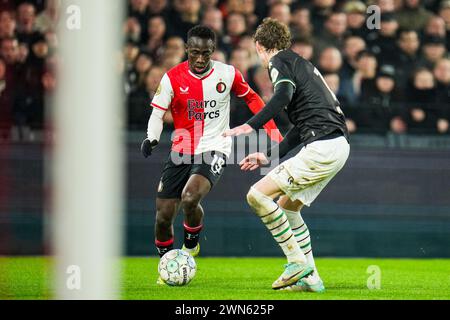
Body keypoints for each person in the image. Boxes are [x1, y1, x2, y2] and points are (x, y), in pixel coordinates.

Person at [140, 25, 282, 281]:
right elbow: (157, 113)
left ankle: (191, 246)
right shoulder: (172, 78)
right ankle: (169, 267)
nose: (200, 59)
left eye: (205, 53)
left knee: (190, 197)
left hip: (215, 147)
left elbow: (252, 99)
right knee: (163, 217)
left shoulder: (227, 74)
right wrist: (152, 137)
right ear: (187, 50)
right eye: (195, 52)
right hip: (181, 149)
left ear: (212, 51)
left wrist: (272, 130)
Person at [224, 18, 350, 292]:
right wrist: (268, 156)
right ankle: (311, 278)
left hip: (322, 146)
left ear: (259, 45)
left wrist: (250, 124)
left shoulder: (278, 61)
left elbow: (281, 96)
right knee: (289, 207)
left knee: (256, 196)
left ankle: (296, 262)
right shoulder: (300, 63)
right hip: (336, 145)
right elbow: (300, 126)